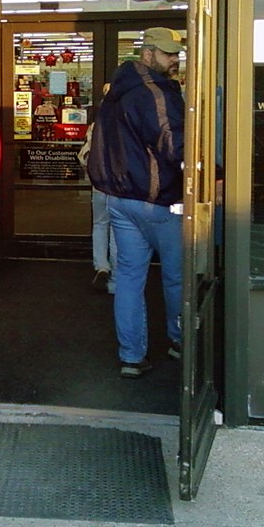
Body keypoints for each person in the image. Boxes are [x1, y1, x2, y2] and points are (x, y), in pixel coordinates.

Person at [87, 27, 185, 379]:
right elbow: (174, 145)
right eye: (167, 53)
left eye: (175, 53)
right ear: (147, 54)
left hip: (119, 197)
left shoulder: (116, 92)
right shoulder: (155, 93)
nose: (174, 59)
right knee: (177, 277)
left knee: (129, 277)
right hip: (156, 200)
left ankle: (131, 356)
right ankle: (180, 342)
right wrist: (216, 171)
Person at [77, 84, 116, 293]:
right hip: (121, 186)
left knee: (100, 224)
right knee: (119, 229)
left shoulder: (96, 125)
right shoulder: (127, 124)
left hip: (99, 184)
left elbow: (83, 155)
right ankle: (116, 275)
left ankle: (101, 265)